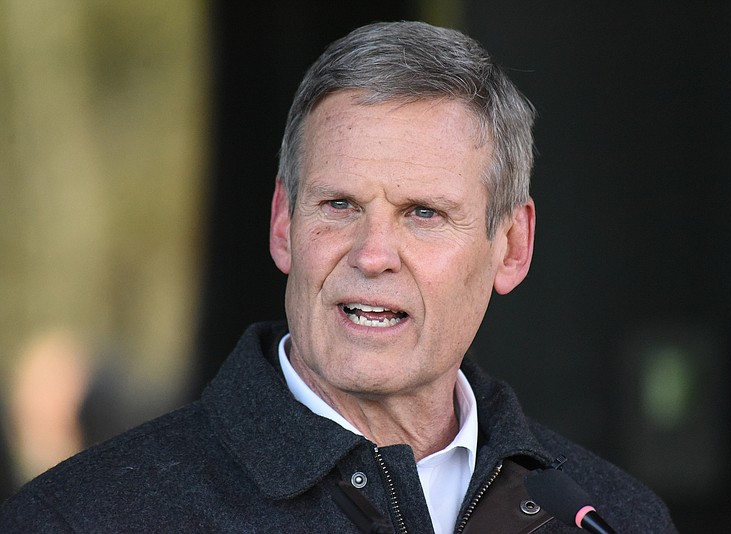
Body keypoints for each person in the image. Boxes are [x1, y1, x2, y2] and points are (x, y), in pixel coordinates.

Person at [0, 21, 676, 533]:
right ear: (281, 225)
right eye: (340, 206)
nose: (373, 253)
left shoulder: (613, 518)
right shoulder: (83, 517)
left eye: (423, 213)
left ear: (511, 247)